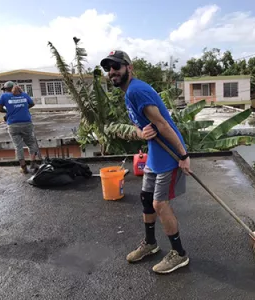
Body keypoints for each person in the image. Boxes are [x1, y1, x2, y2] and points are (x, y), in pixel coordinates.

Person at [100, 50, 191, 274]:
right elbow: (145, 126)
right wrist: (141, 134)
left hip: (169, 155)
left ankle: (179, 254)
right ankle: (150, 243)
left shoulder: (137, 90)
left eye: (117, 67)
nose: (112, 72)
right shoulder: (129, 92)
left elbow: (162, 124)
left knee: (160, 204)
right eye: (108, 68)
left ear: (129, 68)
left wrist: (183, 156)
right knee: (146, 198)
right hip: (155, 153)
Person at [0, 81, 40, 174]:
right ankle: (33, 162)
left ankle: (23, 168)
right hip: (26, 123)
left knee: (18, 146)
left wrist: (9, 111)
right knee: (31, 143)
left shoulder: (4, 96)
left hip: (13, 124)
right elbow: (32, 104)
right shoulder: (24, 95)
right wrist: (23, 108)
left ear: (6, 89)